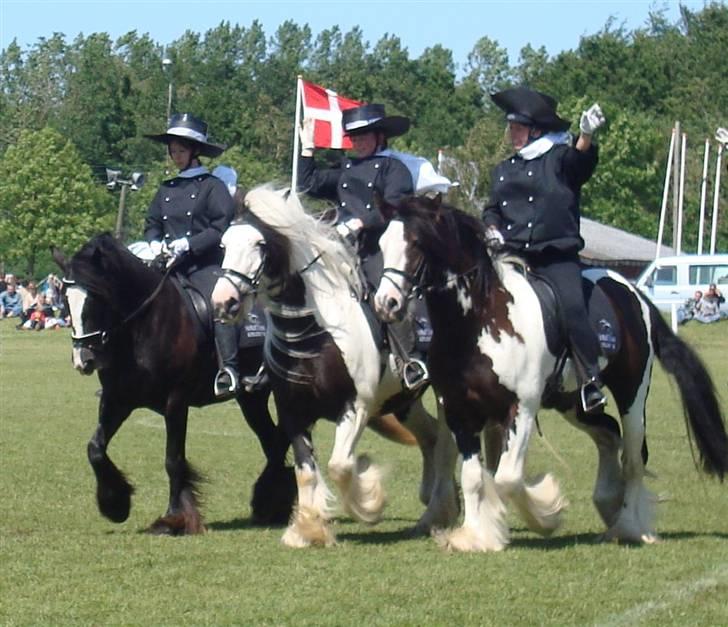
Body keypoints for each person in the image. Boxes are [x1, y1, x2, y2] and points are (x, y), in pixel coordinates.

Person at [482, 86, 607, 414]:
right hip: (511, 256)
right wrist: (491, 228)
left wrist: (585, 135)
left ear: (536, 130)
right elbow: (492, 208)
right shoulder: (504, 169)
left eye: (518, 129)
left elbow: (581, 163)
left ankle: (589, 378)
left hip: (554, 256)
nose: (513, 135)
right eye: (511, 129)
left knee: (572, 306)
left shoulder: (560, 160)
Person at [296, 102, 428, 389]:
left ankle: (410, 360)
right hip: (340, 246)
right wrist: (307, 150)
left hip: (375, 246)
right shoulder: (346, 167)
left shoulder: (394, 168)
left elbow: (395, 205)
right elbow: (307, 184)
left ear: (380, 136)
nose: (357, 142)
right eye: (353, 137)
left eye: (363, 136)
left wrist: (359, 223)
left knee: (387, 293)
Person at [143, 113, 239, 398]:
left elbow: (220, 225)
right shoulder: (166, 188)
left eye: (181, 150)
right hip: (167, 263)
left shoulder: (213, 186)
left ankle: (229, 369)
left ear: (195, 151)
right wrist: (154, 243)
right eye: (173, 150)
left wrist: (190, 244)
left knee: (219, 303)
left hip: (203, 263)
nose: (175, 155)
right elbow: (152, 223)